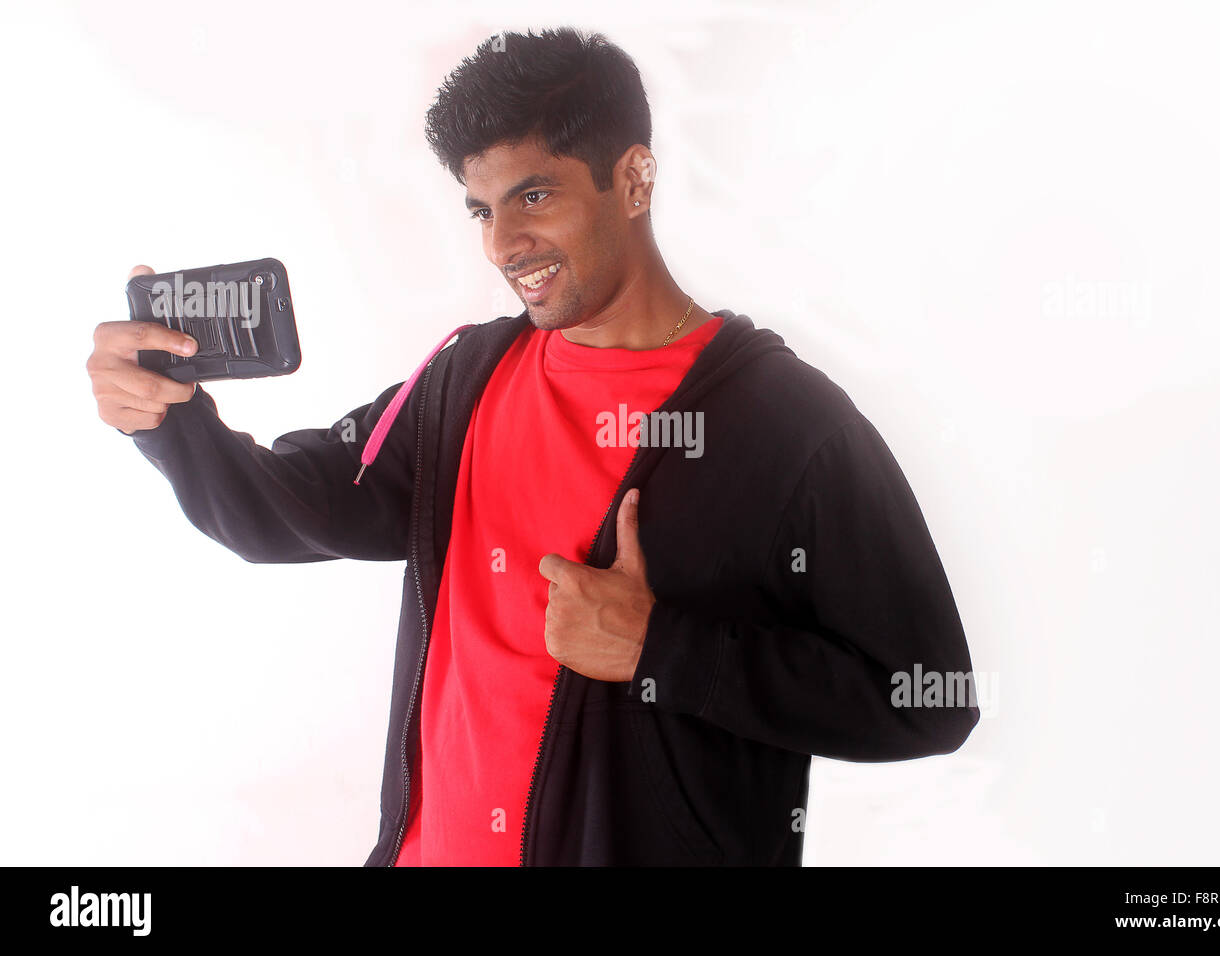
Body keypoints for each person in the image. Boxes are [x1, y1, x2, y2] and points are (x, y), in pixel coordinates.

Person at [85, 26, 979, 866]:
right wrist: (171, 421)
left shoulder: (790, 426)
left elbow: (931, 696)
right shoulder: (466, 378)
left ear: (633, 181)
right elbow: (293, 511)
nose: (504, 244)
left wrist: (661, 650)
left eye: (535, 196)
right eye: (481, 209)